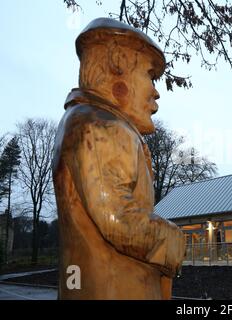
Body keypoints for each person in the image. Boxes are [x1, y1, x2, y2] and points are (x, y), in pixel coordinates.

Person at [52, 17, 185, 299]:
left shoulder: (81, 122)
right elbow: (118, 219)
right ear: (118, 67)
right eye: (150, 75)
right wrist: (173, 240)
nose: (156, 90)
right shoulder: (102, 125)